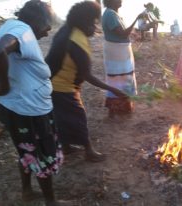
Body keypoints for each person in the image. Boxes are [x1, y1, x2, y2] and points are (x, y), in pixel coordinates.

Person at [0, 1, 70, 205]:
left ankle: (27, 192)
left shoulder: (12, 25)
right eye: (47, 22)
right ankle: (50, 202)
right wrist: (4, 85)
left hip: (19, 107)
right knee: (42, 154)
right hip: (28, 111)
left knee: (27, 150)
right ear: (35, 19)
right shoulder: (22, 30)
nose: (49, 28)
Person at [45, 1, 126, 162]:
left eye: (95, 22)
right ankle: (89, 151)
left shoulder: (67, 30)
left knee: (61, 117)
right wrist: (114, 90)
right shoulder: (77, 40)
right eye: (92, 22)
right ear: (82, 20)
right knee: (78, 117)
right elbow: (87, 75)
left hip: (52, 83)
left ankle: (66, 146)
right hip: (62, 86)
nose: (94, 27)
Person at [101, 0, 141, 117]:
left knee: (121, 78)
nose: (121, 1)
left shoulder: (112, 14)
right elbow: (122, 34)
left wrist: (132, 34)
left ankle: (121, 108)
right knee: (118, 78)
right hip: (116, 52)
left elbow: (120, 33)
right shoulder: (110, 14)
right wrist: (136, 19)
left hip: (119, 51)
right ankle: (115, 109)